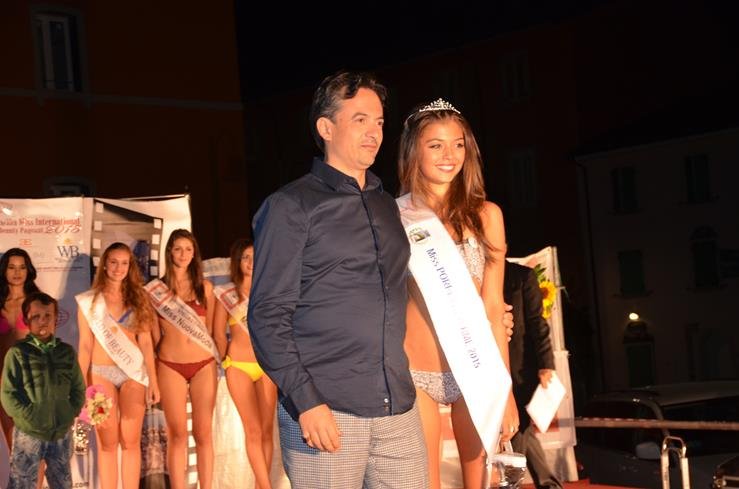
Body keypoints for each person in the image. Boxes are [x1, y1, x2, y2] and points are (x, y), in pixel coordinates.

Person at [248, 70, 429, 489]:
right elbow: (267, 316)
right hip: (326, 410)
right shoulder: (291, 206)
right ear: (326, 128)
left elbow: (403, 296)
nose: (374, 132)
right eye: (360, 120)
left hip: (398, 408)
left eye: (379, 121)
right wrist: (306, 401)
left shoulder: (388, 206)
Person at [397, 98, 518, 488]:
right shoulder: (394, 216)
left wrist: (505, 389)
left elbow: (493, 307)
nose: (449, 155)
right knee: (424, 481)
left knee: (481, 479)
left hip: (475, 369)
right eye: (435, 145)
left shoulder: (488, 216)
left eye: (458, 144)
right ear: (414, 151)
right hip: (416, 372)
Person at [76, 242, 161, 489]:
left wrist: (153, 381)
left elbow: (146, 342)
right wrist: (79, 385)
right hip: (100, 374)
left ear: (130, 266)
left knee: (131, 441)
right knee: (107, 443)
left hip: (133, 374)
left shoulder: (139, 297)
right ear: (105, 264)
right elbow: (85, 346)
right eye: (113, 262)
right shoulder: (89, 301)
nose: (118, 268)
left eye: (124, 263)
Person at [148, 229, 217, 489]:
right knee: (177, 435)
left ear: (194, 253)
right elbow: (154, 336)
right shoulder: (155, 291)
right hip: (170, 365)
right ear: (169, 252)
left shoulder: (205, 288)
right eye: (178, 249)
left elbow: (210, 332)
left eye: (188, 249)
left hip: (203, 365)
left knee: (203, 433)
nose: (183, 254)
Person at [1, 292, 85, 489]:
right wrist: (27, 416)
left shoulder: (66, 352)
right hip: (29, 432)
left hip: (61, 432)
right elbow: (8, 393)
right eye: (36, 316)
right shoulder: (17, 353)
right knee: (21, 482)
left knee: (62, 482)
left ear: (56, 319)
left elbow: (78, 388)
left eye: (48, 315)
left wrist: (69, 412)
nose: (43, 321)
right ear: (26, 320)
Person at [213, 238, 277, 489]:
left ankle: (261, 486)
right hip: (238, 365)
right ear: (237, 262)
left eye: (254, 257)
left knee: (267, 429)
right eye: (245, 258)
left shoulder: (269, 291)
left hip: (266, 367)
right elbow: (219, 333)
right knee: (253, 430)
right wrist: (225, 361)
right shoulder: (226, 294)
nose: (251, 263)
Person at [504, 261, 562, 489]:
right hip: (492, 366)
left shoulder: (523, 276)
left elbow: (538, 323)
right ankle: (549, 484)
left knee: (517, 428)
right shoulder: (476, 273)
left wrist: (546, 364)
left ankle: (512, 484)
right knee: (522, 430)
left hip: (521, 369)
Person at [0, 248, 41, 450]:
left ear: (28, 270)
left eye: (22, 267)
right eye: (12, 267)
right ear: (4, 271)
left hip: (31, 378)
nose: (17, 272)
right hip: (3, 378)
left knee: (33, 443)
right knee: (13, 445)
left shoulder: (38, 302)